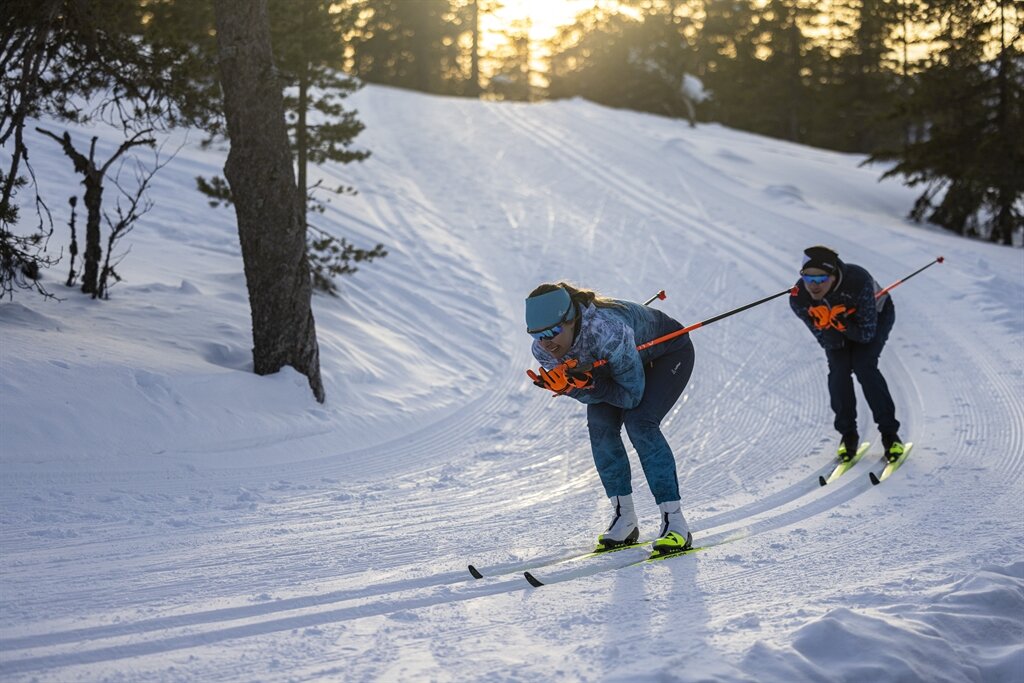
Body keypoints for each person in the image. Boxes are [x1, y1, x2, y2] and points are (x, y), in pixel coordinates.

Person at [525, 282, 695, 555]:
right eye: (537, 334)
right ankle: (624, 519)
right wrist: (572, 389)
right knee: (600, 427)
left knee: (640, 423)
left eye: (552, 331)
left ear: (570, 321)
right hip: (615, 368)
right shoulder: (543, 351)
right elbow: (593, 391)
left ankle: (676, 523)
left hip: (666, 353)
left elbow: (631, 397)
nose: (546, 342)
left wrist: (582, 386)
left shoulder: (608, 332)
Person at [789, 246, 905, 463]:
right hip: (839, 326)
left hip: (878, 317)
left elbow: (865, 335)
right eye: (808, 277)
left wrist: (838, 322)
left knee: (864, 366)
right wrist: (827, 327)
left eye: (821, 278)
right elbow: (826, 341)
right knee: (839, 371)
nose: (814, 285)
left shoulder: (858, 281)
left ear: (833, 276)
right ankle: (848, 434)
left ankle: (890, 435)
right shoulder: (799, 299)